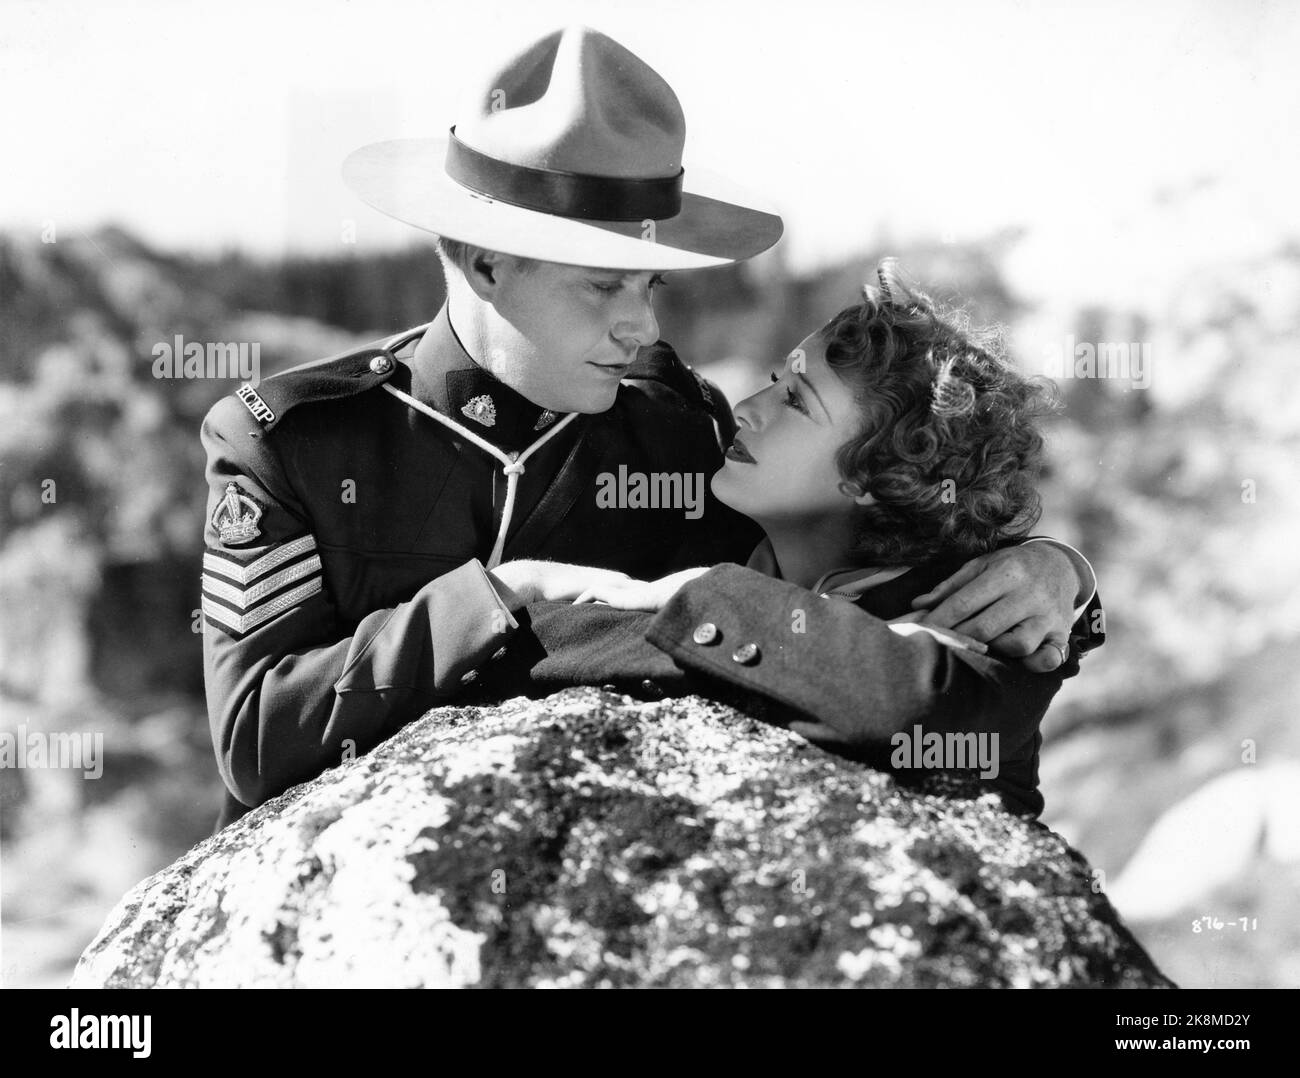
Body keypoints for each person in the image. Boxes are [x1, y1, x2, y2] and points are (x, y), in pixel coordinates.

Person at [199, 27, 1096, 826]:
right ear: (485, 260)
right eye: (601, 284)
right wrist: (494, 600)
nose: (645, 328)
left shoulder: (677, 433)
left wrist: (1056, 571)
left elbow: (862, 581)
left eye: (650, 283)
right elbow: (253, 741)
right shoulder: (292, 443)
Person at [477, 263, 1093, 818]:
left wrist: (705, 597)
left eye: (796, 402)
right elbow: (555, 638)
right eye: (776, 379)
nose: (745, 408)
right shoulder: (717, 527)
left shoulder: (983, 606)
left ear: (873, 476)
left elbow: (906, 698)